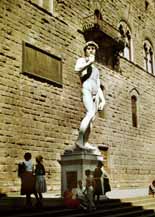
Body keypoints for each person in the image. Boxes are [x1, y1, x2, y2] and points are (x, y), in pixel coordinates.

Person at [75, 41, 105, 150]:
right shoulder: (82, 61)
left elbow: (98, 84)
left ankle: (85, 141)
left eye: (93, 48)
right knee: (90, 112)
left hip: (95, 92)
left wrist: (103, 100)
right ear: (85, 50)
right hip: (86, 86)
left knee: (92, 119)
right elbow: (77, 70)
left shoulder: (96, 69)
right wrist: (88, 63)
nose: (91, 50)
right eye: (89, 48)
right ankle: (79, 139)